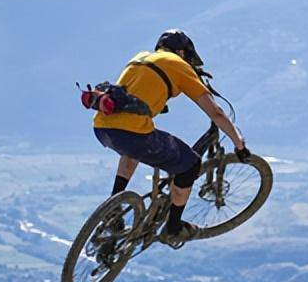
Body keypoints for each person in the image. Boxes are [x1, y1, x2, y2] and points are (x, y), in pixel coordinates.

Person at [92, 29, 249, 249]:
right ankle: (173, 227)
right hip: (132, 133)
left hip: (103, 128)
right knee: (190, 165)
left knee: (133, 149)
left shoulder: (141, 57)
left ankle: (113, 207)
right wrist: (239, 144)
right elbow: (216, 113)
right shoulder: (179, 65)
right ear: (182, 52)